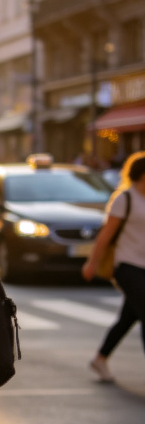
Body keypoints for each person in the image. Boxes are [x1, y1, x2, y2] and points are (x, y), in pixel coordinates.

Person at [82, 151, 145, 381]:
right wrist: (92, 262)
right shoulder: (124, 199)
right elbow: (105, 236)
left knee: (129, 317)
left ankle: (100, 359)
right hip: (127, 264)